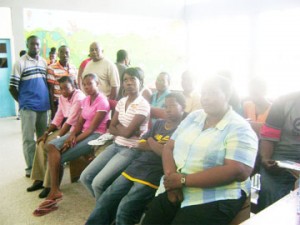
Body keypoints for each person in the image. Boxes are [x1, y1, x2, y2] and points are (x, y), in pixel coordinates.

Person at [142, 76, 258, 225]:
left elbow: (238, 170)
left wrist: (183, 181)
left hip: (215, 196)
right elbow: (169, 148)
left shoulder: (239, 128)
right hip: (176, 185)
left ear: (227, 95)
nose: (206, 98)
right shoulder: (195, 116)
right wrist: (172, 181)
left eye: (212, 93)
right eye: (203, 93)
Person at [85, 93, 186, 225]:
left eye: (172, 106)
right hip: (136, 167)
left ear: (183, 108)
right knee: (107, 198)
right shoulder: (159, 124)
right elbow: (140, 144)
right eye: (165, 106)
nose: (167, 109)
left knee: (125, 208)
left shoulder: (183, 130)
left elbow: (166, 154)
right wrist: (158, 146)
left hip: (153, 174)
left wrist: (151, 141)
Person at [33, 73, 110, 216]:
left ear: (97, 84)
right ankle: (55, 190)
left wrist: (75, 139)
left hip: (95, 135)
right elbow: (80, 122)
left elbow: (92, 129)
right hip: (82, 132)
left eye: (90, 84)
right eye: (84, 84)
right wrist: (72, 135)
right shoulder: (86, 100)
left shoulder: (102, 101)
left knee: (60, 156)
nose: (87, 87)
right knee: (50, 146)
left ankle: (54, 190)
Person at [80, 67, 150, 200]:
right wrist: (126, 131)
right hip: (115, 144)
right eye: (125, 80)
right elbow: (111, 126)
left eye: (132, 79)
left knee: (97, 184)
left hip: (131, 149)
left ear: (140, 81)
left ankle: (104, 214)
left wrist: (124, 130)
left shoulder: (143, 104)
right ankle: (105, 209)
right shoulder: (122, 102)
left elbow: (127, 133)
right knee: (85, 177)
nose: (128, 83)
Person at [27, 76, 85, 198]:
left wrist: (56, 138)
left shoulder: (79, 98)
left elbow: (70, 121)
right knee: (42, 143)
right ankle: (39, 179)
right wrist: (46, 133)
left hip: (76, 131)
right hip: (65, 128)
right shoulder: (62, 98)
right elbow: (58, 117)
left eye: (66, 88)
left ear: (73, 86)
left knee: (50, 146)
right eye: (61, 89)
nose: (63, 92)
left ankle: (49, 185)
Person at [9, 35, 50, 178]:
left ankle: (42, 166)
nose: (35, 47)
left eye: (37, 44)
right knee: (28, 139)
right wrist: (22, 102)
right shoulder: (20, 63)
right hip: (28, 107)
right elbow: (12, 87)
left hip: (43, 106)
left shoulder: (44, 62)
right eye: (32, 44)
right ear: (27, 45)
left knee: (42, 138)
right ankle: (31, 168)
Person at [257, 91, 300, 211]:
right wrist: (265, 158)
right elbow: (268, 137)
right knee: (271, 193)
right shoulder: (284, 101)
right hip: (281, 158)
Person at [47, 45, 78, 119]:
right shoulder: (51, 68)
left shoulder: (73, 68)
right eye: (62, 52)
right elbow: (50, 91)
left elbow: (76, 87)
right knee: (58, 127)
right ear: (58, 54)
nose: (64, 55)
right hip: (58, 104)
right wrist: (53, 110)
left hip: (72, 104)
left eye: (67, 53)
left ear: (70, 54)